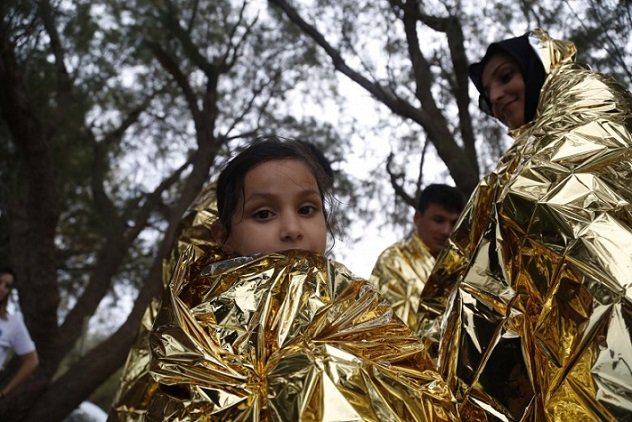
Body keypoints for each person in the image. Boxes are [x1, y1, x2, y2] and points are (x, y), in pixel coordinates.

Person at [110, 136, 457, 420]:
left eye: (307, 209)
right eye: (264, 214)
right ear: (222, 236)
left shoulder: (361, 306)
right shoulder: (203, 330)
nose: (292, 230)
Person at [415, 28, 632, 420]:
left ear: (539, 66)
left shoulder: (585, 92)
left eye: (505, 77)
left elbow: (551, 197)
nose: (496, 97)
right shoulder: (528, 145)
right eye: (488, 92)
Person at [369, 184, 465, 328]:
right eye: (439, 220)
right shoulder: (394, 260)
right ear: (417, 218)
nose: (446, 231)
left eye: (454, 223)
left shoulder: (464, 266)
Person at [0, 268, 39, 400]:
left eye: (7, 286)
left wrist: (4, 393)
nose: (2, 288)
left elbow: (32, 361)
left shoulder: (13, 322)